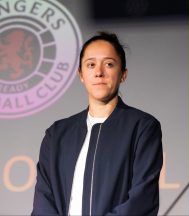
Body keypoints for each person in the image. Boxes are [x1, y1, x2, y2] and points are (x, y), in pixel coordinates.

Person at [32, 32, 163, 215]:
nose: (99, 72)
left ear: (123, 74)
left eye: (109, 64)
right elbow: (43, 201)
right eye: (91, 65)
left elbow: (142, 200)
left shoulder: (142, 127)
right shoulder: (57, 134)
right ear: (81, 74)